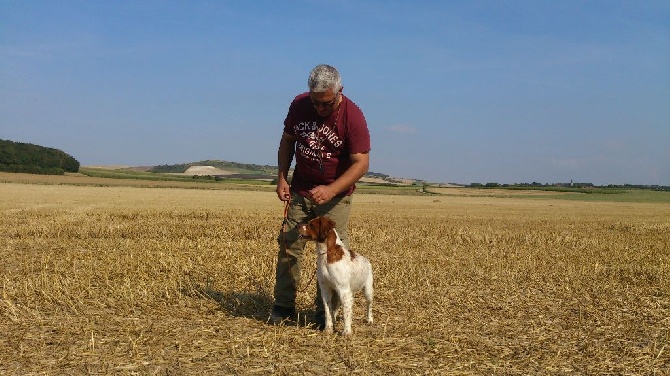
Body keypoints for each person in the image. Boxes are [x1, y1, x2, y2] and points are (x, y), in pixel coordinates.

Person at [271, 64, 371, 329]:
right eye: (315, 103)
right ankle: (283, 308)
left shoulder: (353, 117)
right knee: (288, 246)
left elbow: (361, 164)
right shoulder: (299, 105)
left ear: (340, 92)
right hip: (302, 189)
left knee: (334, 255)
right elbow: (287, 141)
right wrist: (282, 177)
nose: (319, 109)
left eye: (326, 104)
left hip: (335, 195)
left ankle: (325, 315)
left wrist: (331, 190)